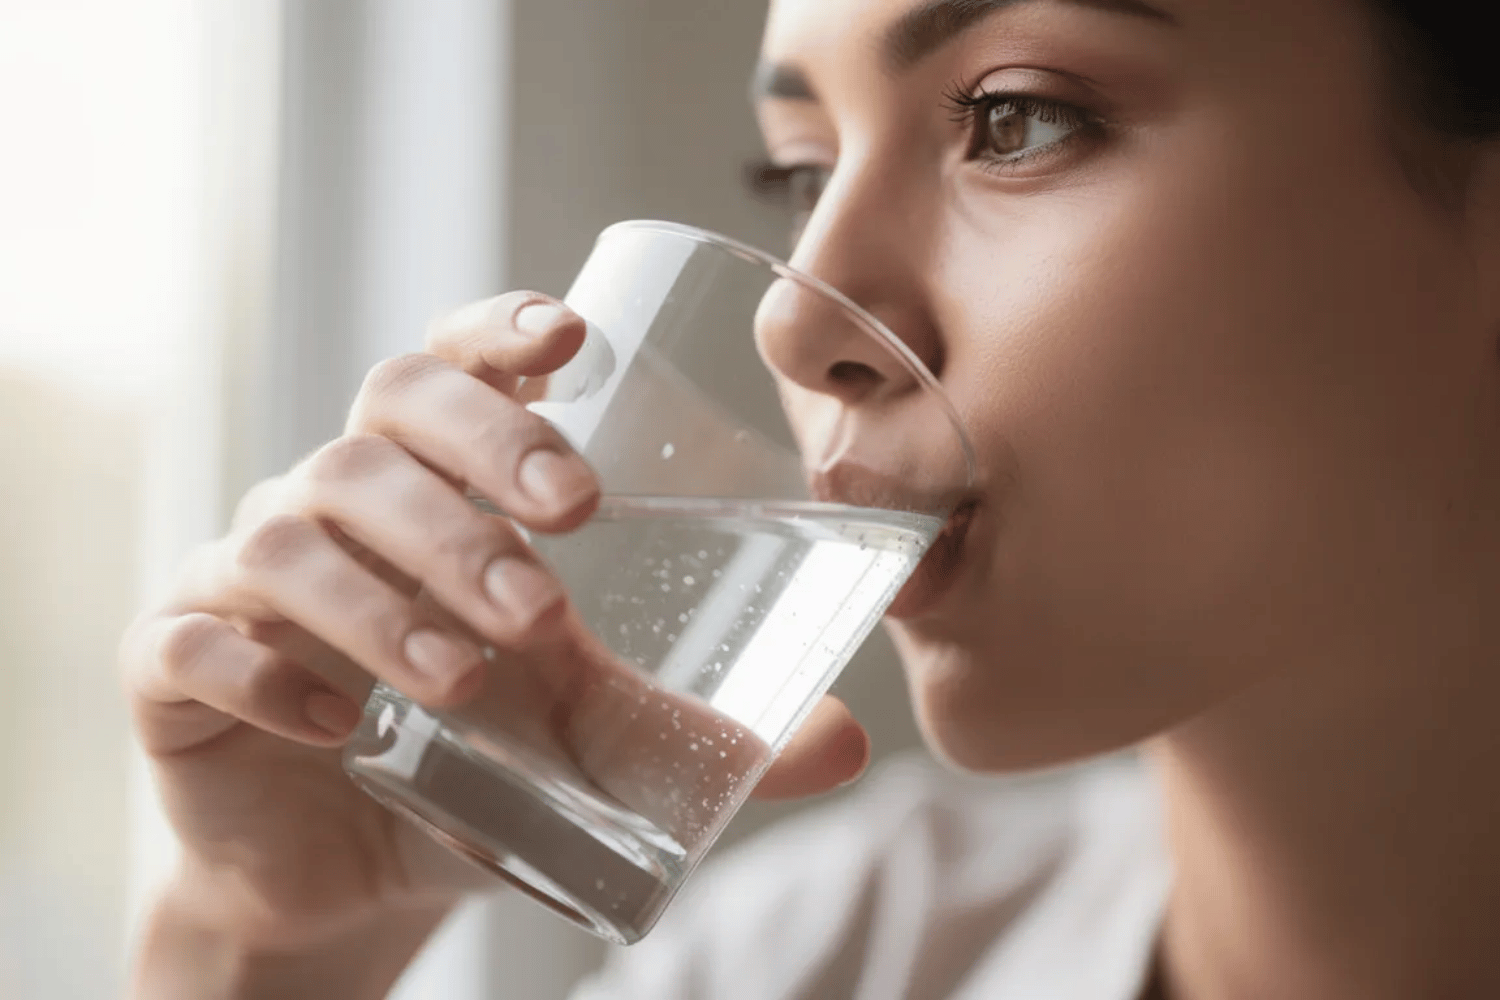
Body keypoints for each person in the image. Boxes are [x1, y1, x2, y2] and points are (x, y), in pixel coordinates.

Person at [121, 0, 1500, 996]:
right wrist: (263, 950)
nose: (795, 322)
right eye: (802, 171)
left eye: (1017, 118)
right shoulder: (819, 960)